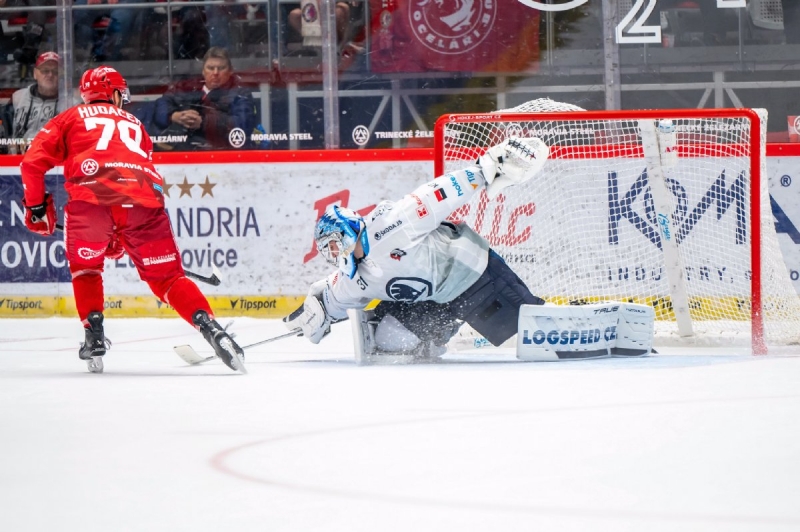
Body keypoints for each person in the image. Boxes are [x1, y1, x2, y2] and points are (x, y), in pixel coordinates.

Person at [19, 65, 246, 374]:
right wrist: (120, 234)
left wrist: (35, 207)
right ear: (113, 93)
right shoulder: (136, 123)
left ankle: (94, 334)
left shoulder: (70, 118)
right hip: (145, 202)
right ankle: (211, 328)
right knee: (168, 278)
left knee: (86, 269)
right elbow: (127, 181)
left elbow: (32, 164)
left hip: (91, 202)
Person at [284, 136, 549, 362]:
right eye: (326, 250)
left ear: (347, 230)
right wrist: (313, 315)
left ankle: (564, 313)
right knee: (391, 339)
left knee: (533, 334)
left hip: (476, 277)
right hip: (437, 301)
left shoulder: (393, 223)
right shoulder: (352, 280)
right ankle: (445, 331)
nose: (333, 253)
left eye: (333, 243)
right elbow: (330, 298)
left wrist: (484, 170)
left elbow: (437, 194)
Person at [153, 46, 257, 150]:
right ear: (203, 70)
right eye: (210, 68)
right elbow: (161, 105)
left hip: (223, 153)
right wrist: (174, 116)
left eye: (221, 68)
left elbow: (243, 124)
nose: (215, 73)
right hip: (186, 152)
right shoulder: (188, 87)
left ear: (230, 71)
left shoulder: (240, 93)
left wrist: (204, 122)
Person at [2, 51, 62, 152]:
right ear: (35, 74)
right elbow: (6, 129)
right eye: (45, 71)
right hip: (15, 160)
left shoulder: (69, 103)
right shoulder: (18, 97)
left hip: (51, 161)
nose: (50, 75)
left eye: (55, 71)